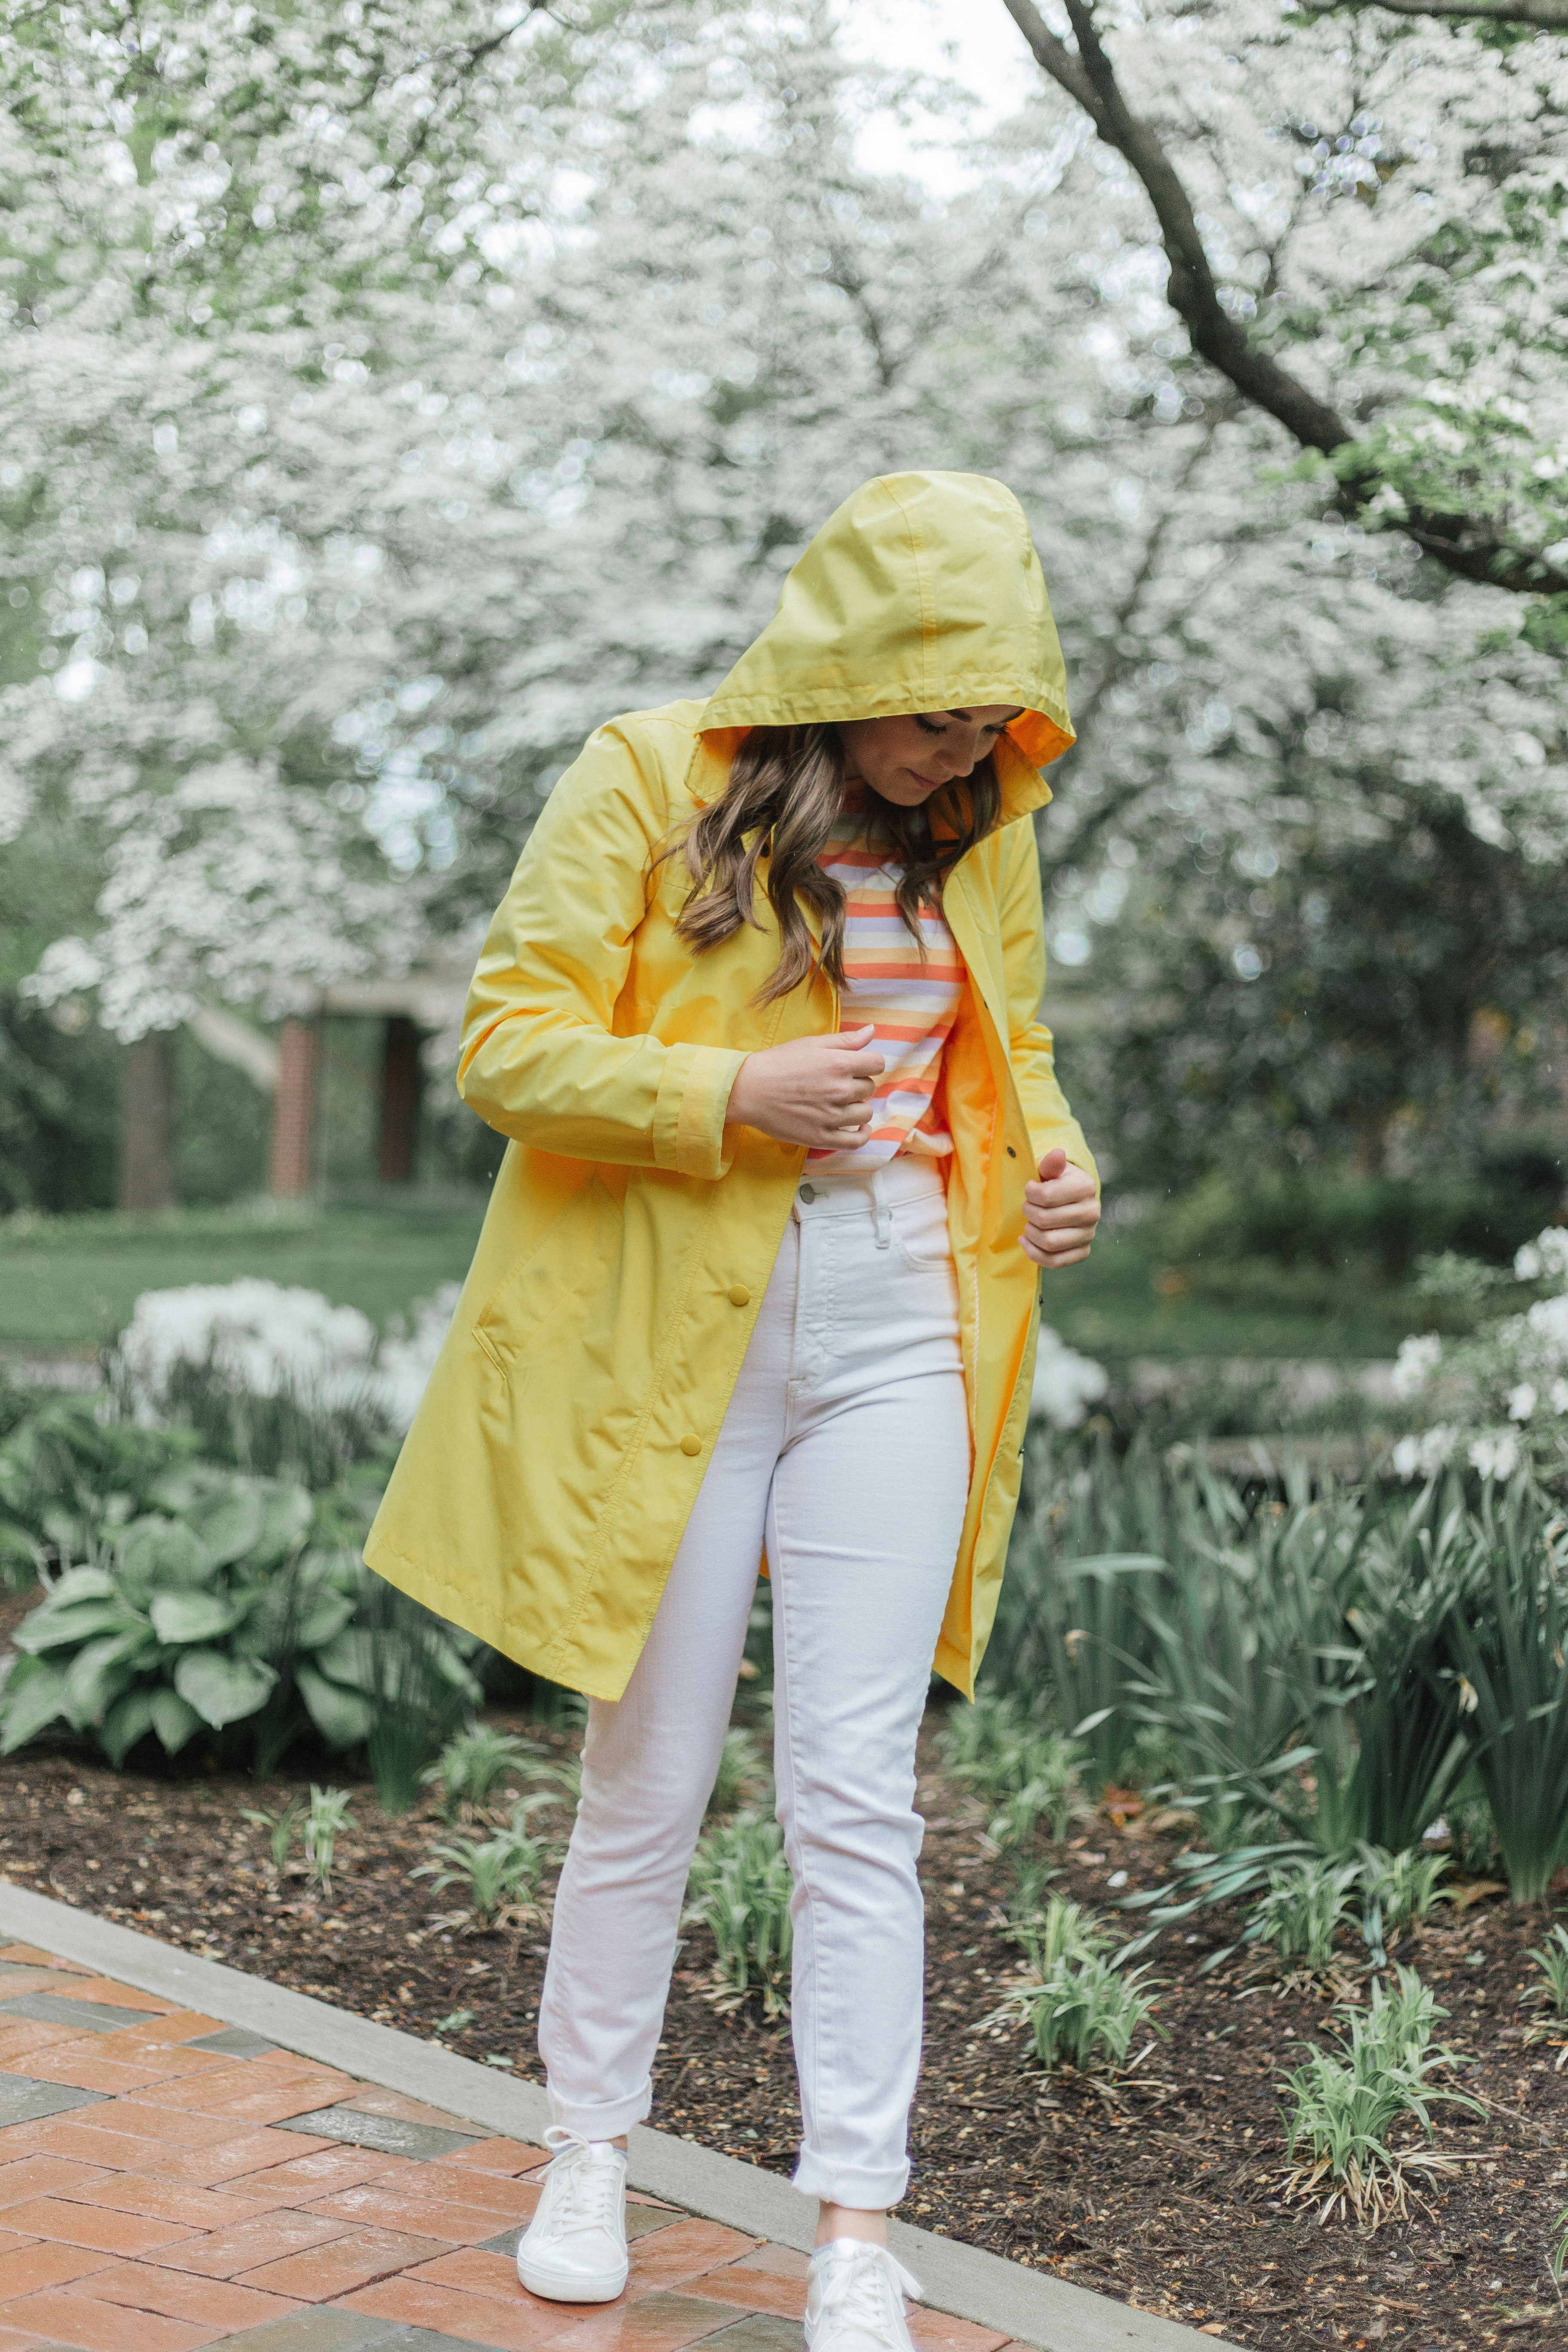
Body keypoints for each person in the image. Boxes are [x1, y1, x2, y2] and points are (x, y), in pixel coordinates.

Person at [365, 470, 1100, 2352]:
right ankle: (588, 2152)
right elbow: (506, 1044)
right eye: (936, 711)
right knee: (651, 1778)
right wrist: (728, 1101)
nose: (958, 756)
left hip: (902, 1324)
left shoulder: (982, 824)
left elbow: (1014, 1049)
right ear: (849, 659)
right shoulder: (643, 775)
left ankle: (856, 2229)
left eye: (990, 720)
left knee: (857, 1795)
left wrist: (1066, 1167)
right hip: (668, 1328)